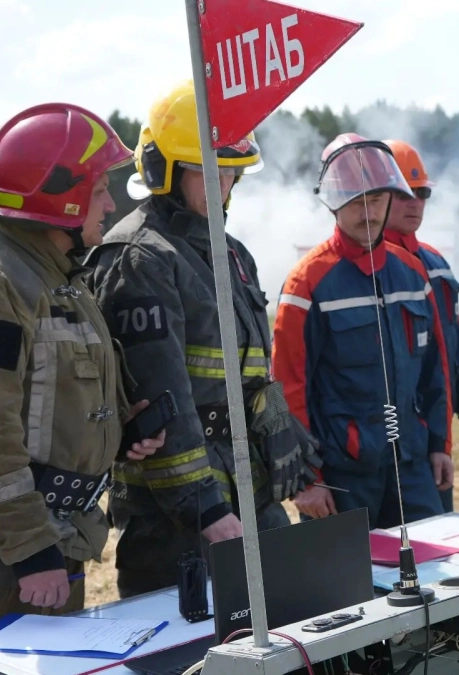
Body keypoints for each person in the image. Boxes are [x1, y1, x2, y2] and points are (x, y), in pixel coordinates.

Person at [0, 102, 166, 675]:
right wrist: (30, 548)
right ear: (62, 198)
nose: (112, 204)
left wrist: (119, 430)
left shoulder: (57, 276)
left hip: (42, 545)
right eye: (100, 191)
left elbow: (48, 398)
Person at [86, 80, 316, 599]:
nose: (224, 189)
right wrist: (204, 507)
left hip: (248, 485)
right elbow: (159, 401)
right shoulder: (139, 258)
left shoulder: (231, 252)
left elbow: (250, 368)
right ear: (163, 171)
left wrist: (276, 422)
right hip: (176, 513)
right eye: (209, 174)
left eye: (231, 175)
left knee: (289, 623)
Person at [272, 133, 452, 530]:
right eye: (356, 201)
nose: (367, 212)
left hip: (412, 468)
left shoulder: (412, 271)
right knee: (349, 590)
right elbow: (285, 390)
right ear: (334, 202)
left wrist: (440, 445)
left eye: (375, 199)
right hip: (340, 477)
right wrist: (308, 479)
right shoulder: (307, 283)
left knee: (437, 578)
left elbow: (434, 371)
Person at [382, 139, 459, 513]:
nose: (416, 203)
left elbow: (452, 341)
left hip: (431, 431)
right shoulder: (370, 266)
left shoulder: (435, 262)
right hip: (390, 437)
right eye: (404, 193)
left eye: (422, 192)